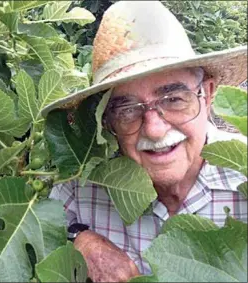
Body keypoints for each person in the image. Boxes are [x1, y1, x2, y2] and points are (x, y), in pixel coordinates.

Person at [42, 1, 248, 282]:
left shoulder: (242, 180)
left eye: (174, 99)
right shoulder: (84, 184)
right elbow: (47, 226)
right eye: (127, 110)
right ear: (106, 120)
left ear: (208, 93)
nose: (154, 129)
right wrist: (81, 238)